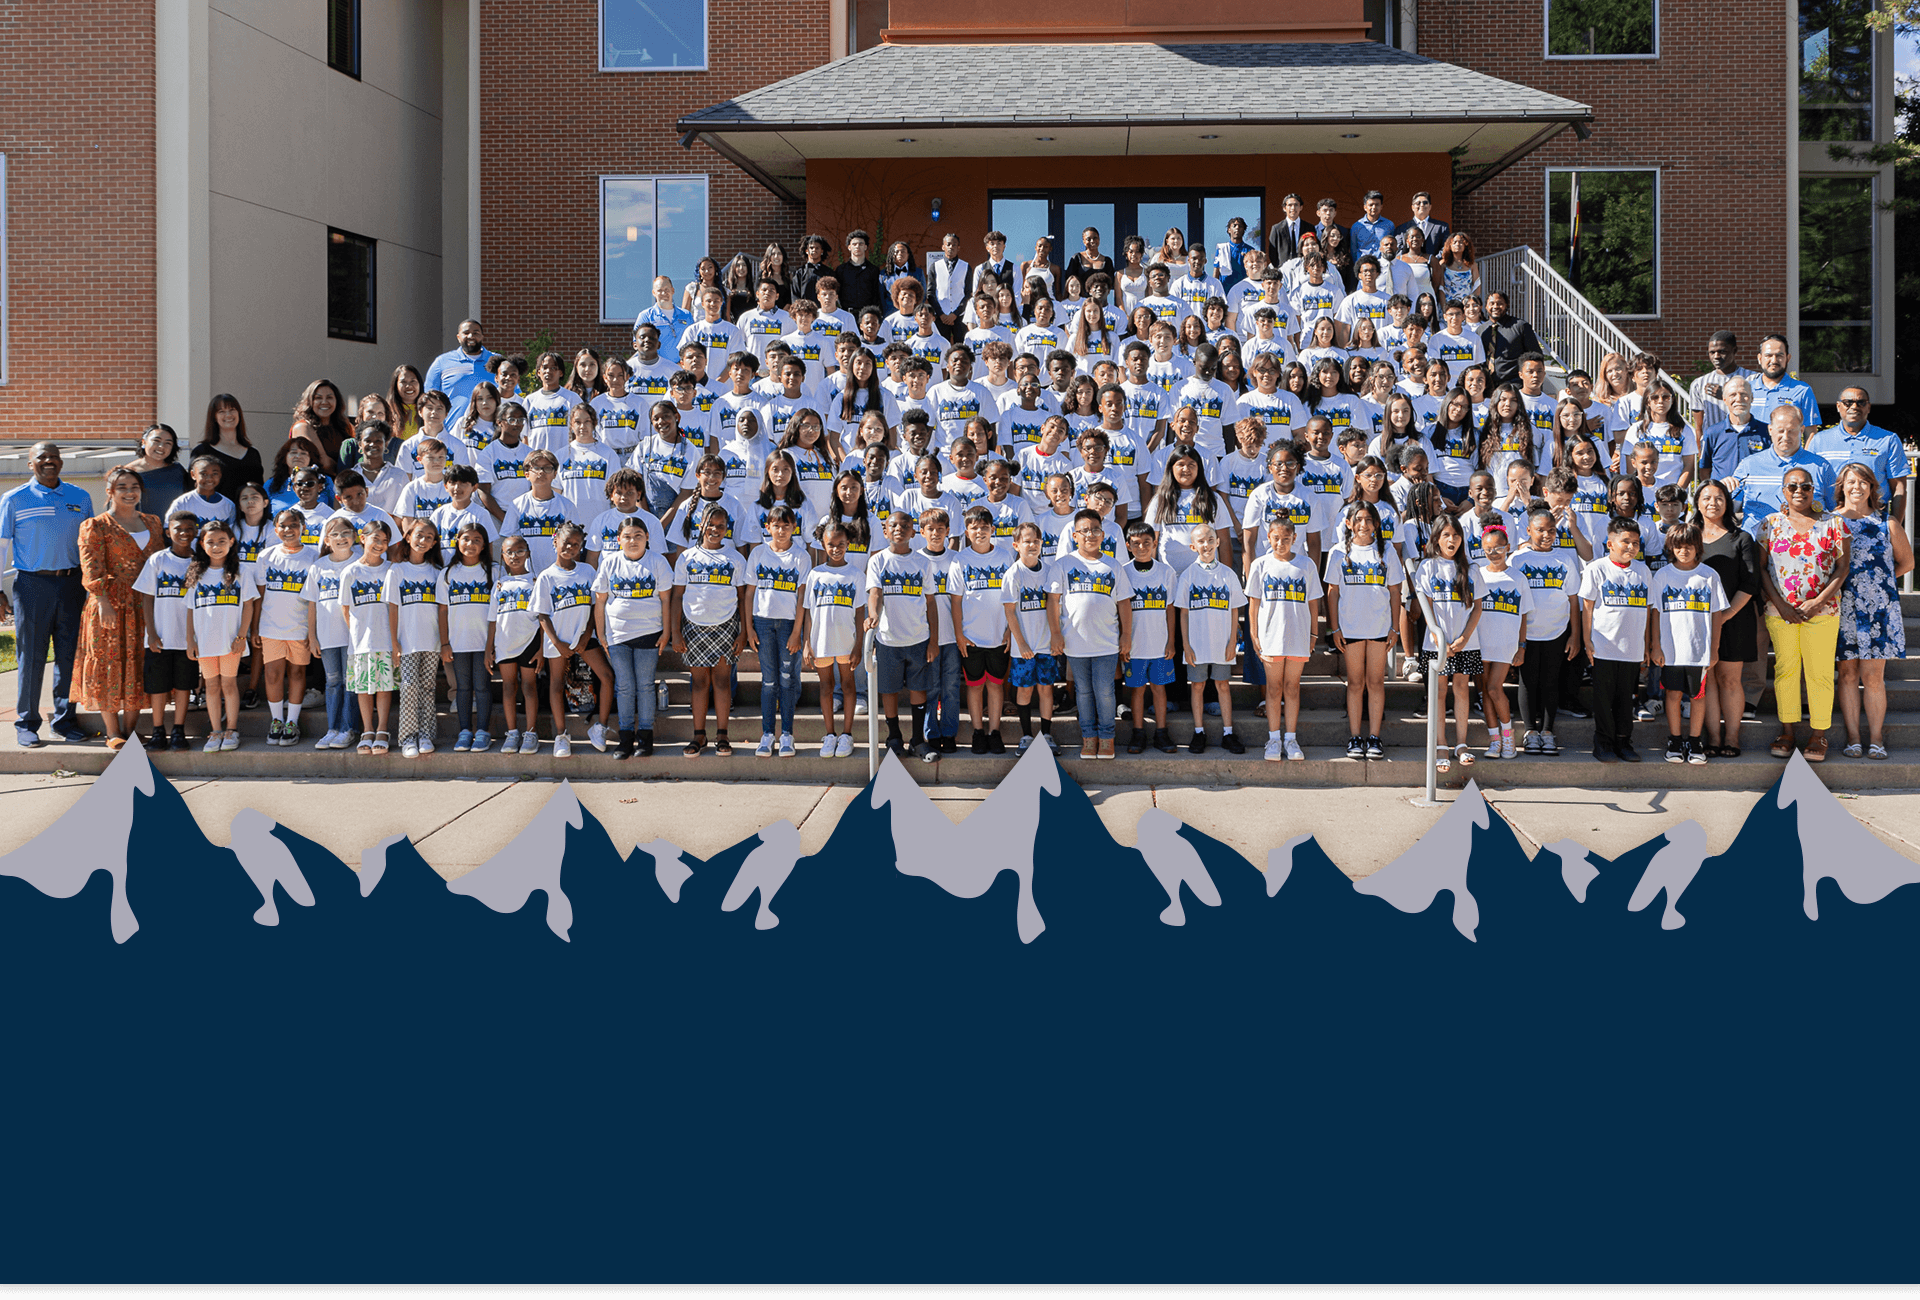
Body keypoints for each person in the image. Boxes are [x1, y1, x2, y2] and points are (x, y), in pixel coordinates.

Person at [1, 442, 94, 746]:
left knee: (69, 656)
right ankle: (26, 722)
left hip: (72, 584)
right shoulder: (14, 499)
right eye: (42, 457)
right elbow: (1, 548)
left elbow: (90, 544)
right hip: (32, 586)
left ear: (62, 462)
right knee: (31, 656)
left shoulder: (80, 497)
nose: (49, 461)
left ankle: (64, 720)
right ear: (31, 464)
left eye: (54, 456)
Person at [1759, 466, 1849, 763]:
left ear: (1815, 490)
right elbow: (1761, 569)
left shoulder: (1834, 524)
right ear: (1783, 492)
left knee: (1819, 673)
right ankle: (1787, 731)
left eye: (1806, 486)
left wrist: (1817, 602)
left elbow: (1842, 568)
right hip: (1780, 611)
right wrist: (1781, 605)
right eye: (1792, 487)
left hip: (1822, 612)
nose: (1799, 491)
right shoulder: (1769, 524)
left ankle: (1818, 734)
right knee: (1785, 670)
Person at [71, 466, 165, 750]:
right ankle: (113, 732)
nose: (129, 492)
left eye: (134, 486)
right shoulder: (96, 525)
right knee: (109, 661)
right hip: (109, 602)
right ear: (110, 491)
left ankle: (131, 729)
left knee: (138, 663)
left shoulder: (153, 522)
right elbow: (91, 566)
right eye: (122, 486)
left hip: (144, 603)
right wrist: (102, 601)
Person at [1833, 463, 1912, 760]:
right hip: (1842, 608)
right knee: (1848, 675)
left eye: (1863, 482)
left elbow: (1907, 563)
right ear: (1841, 486)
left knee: (1874, 677)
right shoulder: (1830, 522)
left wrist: (1879, 585)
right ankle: (1854, 738)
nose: (1857, 487)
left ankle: (1876, 739)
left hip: (1879, 611)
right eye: (1851, 481)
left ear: (1872, 487)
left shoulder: (1886, 522)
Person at [1645, 522, 1729, 765]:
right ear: (1671, 547)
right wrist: (1655, 645)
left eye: (1689, 547)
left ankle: (1694, 741)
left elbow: (1716, 614)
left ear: (1697, 548)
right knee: (1672, 694)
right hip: (1670, 651)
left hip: (1698, 650)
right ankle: (1674, 739)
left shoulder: (1709, 575)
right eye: (1679, 547)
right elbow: (1656, 612)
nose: (1684, 551)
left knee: (1697, 697)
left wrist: (1713, 649)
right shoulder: (1662, 575)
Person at [592, 515, 672, 760]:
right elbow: (600, 601)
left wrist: (667, 632)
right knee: (625, 687)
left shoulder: (657, 562)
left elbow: (666, 599)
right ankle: (626, 738)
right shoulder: (609, 562)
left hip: (649, 632)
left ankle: (645, 738)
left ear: (648, 538)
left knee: (646, 686)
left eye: (638, 535)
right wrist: (601, 632)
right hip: (617, 634)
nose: (633, 540)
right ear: (618, 540)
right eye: (627, 536)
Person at [672, 506, 749, 757]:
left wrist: (743, 632)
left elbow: (742, 597)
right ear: (701, 525)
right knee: (700, 682)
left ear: (728, 528)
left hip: (726, 625)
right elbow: (677, 596)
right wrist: (676, 631)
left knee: (722, 681)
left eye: (721, 525)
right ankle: (699, 735)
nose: (715, 530)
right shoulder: (687, 557)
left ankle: (723, 735)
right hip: (693, 626)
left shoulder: (736, 558)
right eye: (711, 525)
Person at [1690, 480, 1760, 758]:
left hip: (1735, 619)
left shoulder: (1741, 539)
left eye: (1719, 498)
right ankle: (1713, 737)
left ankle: (1732, 737)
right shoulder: (1689, 536)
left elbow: (1750, 583)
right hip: (1696, 622)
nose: (1712, 503)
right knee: (1707, 682)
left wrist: (1725, 615)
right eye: (1706, 498)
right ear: (1697, 503)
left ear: (1728, 503)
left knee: (1730, 680)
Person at [533, 521, 612, 757]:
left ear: (581, 547)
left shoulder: (588, 571)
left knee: (607, 677)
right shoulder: (547, 577)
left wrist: (587, 635)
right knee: (556, 684)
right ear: (555, 541)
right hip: (559, 640)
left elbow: (593, 605)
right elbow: (542, 615)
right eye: (566, 542)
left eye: (576, 544)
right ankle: (561, 735)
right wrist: (557, 643)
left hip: (584, 638)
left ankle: (600, 728)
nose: (570, 547)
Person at [1579, 517, 1653, 763]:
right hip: (1604, 646)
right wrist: (1587, 640)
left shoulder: (1643, 571)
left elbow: (1648, 610)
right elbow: (1587, 608)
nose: (1631, 547)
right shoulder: (1596, 569)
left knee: (1625, 698)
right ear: (1610, 543)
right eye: (1625, 542)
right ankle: (1603, 743)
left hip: (1632, 648)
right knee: (1603, 699)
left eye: (1635, 543)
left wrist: (1647, 644)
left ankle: (1624, 741)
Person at [1412, 514, 1483, 771]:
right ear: (1437, 539)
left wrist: (1464, 638)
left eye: (1455, 535)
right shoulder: (1428, 567)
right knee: (1439, 692)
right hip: (1437, 644)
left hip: (1465, 641)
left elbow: (1477, 607)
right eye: (1446, 535)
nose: (1451, 540)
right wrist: (1437, 636)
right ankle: (1441, 744)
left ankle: (1461, 743)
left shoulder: (1471, 568)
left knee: (1462, 689)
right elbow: (1426, 607)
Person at [865, 510, 939, 757]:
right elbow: (874, 593)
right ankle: (894, 736)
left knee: (919, 688)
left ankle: (918, 739)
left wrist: (934, 640)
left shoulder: (922, 562)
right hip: (888, 638)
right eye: (893, 525)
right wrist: (873, 614)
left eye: (905, 525)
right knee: (889, 689)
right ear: (885, 531)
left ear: (913, 531)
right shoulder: (878, 561)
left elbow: (930, 602)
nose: (899, 528)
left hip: (918, 637)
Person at [742, 503, 811, 758]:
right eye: (776, 526)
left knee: (786, 679)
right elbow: (749, 593)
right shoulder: (758, 553)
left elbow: (802, 596)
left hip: (788, 625)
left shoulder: (801, 557)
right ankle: (767, 733)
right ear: (767, 527)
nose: (781, 531)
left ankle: (787, 735)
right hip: (762, 623)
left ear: (794, 527)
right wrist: (748, 627)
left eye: (786, 526)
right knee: (769, 681)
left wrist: (797, 633)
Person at [182, 519, 257, 753]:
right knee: (211, 686)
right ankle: (215, 731)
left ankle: (231, 730)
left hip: (231, 641)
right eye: (211, 542)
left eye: (222, 541)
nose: (216, 546)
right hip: (204, 641)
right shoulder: (196, 572)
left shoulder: (241, 571)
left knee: (229, 684)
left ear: (231, 542)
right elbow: (190, 609)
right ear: (202, 544)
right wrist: (190, 641)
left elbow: (248, 606)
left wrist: (241, 636)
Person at [800, 519, 867, 758]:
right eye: (831, 544)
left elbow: (860, 612)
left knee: (848, 686)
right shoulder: (816, 574)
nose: (836, 548)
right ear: (822, 544)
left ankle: (847, 734)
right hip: (821, 641)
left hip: (846, 641)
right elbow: (808, 611)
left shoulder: (856, 575)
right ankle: (830, 734)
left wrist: (859, 644)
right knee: (826, 686)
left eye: (841, 544)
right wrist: (807, 643)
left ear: (848, 543)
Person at [250, 507, 318, 746]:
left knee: (298, 673)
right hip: (270, 626)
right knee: (273, 674)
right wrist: (255, 627)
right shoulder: (266, 556)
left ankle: (292, 722)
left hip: (299, 626)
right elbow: (259, 594)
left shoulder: (313, 555)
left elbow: (314, 599)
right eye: (283, 526)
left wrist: (313, 631)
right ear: (275, 529)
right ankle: (277, 720)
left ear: (302, 528)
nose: (288, 530)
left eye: (294, 525)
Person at [300, 516, 361, 751]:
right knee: (333, 681)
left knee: (350, 682)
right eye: (335, 534)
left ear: (355, 537)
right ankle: (332, 728)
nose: (341, 538)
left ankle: (349, 728)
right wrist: (312, 636)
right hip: (326, 636)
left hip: (352, 636)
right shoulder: (319, 566)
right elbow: (312, 604)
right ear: (326, 540)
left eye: (346, 533)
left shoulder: (359, 563)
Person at [1807, 387, 1909, 527]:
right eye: (1848, 402)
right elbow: (1812, 486)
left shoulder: (1888, 440)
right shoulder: (1820, 441)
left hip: (1875, 522)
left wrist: (1895, 526)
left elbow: (1899, 486)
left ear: (1868, 407)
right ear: (1838, 406)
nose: (1854, 407)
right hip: (1830, 521)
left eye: (1860, 402)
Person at [1118, 519, 1178, 755]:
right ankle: (1138, 732)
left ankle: (1161, 733)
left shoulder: (1166, 572)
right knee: (1138, 690)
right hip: (1135, 646)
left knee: (1159, 689)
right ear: (1128, 545)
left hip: (1160, 644)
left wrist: (1172, 641)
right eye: (1136, 543)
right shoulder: (1123, 572)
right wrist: (1124, 641)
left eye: (1146, 543)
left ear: (1154, 544)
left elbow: (1170, 609)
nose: (1141, 547)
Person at [338, 519, 397, 755]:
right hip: (360, 641)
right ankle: (368, 729)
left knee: (384, 686)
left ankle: (382, 728)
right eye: (375, 539)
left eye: (385, 541)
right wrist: (357, 634)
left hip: (386, 638)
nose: (380, 544)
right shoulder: (350, 571)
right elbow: (345, 608)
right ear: (362, 539)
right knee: (363, 688)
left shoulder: (392, 569)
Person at [487, 534, 543, 755]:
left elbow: (543, 618)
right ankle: (512, 733)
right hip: (504, 643)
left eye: (520, 551)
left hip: (530, 641)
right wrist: (488, 649)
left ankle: (530, 733)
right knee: (509, 687)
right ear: (503, 555)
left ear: (527, 553)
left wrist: (542, 649)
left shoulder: (536, 581)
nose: (515, 556)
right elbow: (493, 619)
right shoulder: (500, 584)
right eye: (509, 552)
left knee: (529, 687)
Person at [189, 394, 264, 502]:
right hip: (215, 516)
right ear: (214, 417)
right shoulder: (202, 452)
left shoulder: (253, 453)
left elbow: (259, 490)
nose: (228, 415)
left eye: (232, 410)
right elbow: (193, 489)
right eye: (221, 411)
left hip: (247, 516)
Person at [1686, 330, 1757, 438]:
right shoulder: (1699, 384)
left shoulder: (1752, 379)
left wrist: (1725, 394)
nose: (1716, 356)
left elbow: (1759, 410)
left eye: (1722, 351)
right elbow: (1699, 428)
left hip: (1747, 439)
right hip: (1715, 445)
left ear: (1734, 350)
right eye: (1712, 352)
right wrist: (1701, 453)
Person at [1699, 375, 1770, 483]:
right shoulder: (1713, 433)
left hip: (1755, 498)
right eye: (1732, 395)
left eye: (1744, 394)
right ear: (1725, 399)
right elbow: (1704, 470)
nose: (1739, 399)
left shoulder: (1767, 432)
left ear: (1752, 398)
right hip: (1723, 497)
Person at [424, 319, 498, 420]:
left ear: (482, 337)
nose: (471, 336)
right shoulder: (442, 362)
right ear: (458, 337)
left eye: (476, 333)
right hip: (451, 431)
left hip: (490, 430)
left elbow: (512, 394)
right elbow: (428, 398)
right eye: (466, 333)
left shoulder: (497, 361)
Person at [1750, 334, 1821, 429]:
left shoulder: (1802, 391)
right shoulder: (1746, 390)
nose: (1774, 360)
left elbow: (1810, 432)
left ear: (1788, 358)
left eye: (1779, 355)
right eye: (1768, 355)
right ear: (1759, 358)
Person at [125, 423, 190, 519]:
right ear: (144, 442)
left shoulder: (177, 470)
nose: (161, 447)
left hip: (175, 529)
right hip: (143, 530)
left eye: (168, 443)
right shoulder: (128, 473)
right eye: (156, 441)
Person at [1478, 292, 1543, 386]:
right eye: (1491, 303)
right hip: (1488, 385)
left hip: (1514, 383)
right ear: (1486, 306)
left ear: (1506, 305)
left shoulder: (1520, 326)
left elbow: (1535, 355)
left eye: (1499, 303)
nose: (1495, 306)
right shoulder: (1481, 330)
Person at [835, 229, 883, 315]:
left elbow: (877, 294)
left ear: (865, 247)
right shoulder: (841, 270)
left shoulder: (873, 270)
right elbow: (837, 293)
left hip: (867, 316)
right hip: (846, 314)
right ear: (849, 247)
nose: (857, 246)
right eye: (854, 244)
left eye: (861, 244)